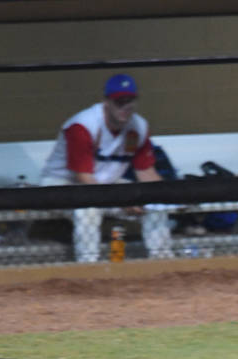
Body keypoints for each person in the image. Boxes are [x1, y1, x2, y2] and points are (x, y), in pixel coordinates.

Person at [41, 73, 163, 262]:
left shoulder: (138, 127)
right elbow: (84, 178)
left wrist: (168, 197)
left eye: (130, 101)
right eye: (119, 101)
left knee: (156, 206)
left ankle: (163, 261)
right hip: (62, 184)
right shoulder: (83, 125)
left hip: (107, 185)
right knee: (88, 210)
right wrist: (123, 199)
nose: (125, 106)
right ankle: (89, 269)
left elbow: (146, 172)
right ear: (106, 101)